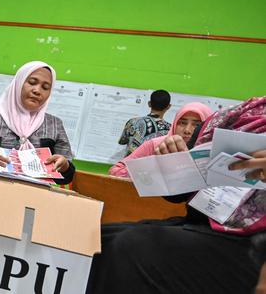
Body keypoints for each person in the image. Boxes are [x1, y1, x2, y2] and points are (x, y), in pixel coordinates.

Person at [87, 96, 266, 294]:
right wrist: (171, 165)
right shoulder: (230, 117)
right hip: (200, 223)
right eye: (183, 122)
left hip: (253, 244)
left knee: (131, 246)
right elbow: (179, 194)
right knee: (100, 238)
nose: (188, 129)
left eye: (193, 123)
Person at [0, 61, 75, 185]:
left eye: (45, 88)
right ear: (18, 83)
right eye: (32, 82)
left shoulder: (55, 125)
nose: (37, 91)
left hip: (33, 198)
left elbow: (68, 175)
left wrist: (64, 166)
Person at [109, 102, 213, 178]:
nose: (187, 130)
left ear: (207, 127)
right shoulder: (155, 145)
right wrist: (153, 166)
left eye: (197, 125)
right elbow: (115, 171)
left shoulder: (211, 152)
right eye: (182, 123)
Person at [118, 89, 172, 156]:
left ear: (149, 103)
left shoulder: (132, 122)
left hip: (128, 164)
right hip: (151, 165)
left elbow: (122, 141)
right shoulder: (170, 129)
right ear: (169, 106)